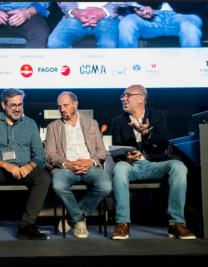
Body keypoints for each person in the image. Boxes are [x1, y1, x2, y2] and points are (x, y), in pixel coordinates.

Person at [111, 84, 195, 240]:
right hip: (132, 166)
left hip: (156, 164)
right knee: (120, 167)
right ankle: (122, 223)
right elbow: (116, 152)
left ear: (141, 98)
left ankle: (176, 223)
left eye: (128, 95)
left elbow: (163, 144)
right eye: (123, 95)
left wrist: (147, 134)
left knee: (178, 166)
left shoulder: (157, 116)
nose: (124, 98)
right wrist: (127, 158)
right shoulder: (118, 121)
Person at [0, 88, 51, 242]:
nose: (17, 109)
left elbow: (40, 154)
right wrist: (6, 165)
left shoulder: (30, 124)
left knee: (44, 177)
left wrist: (29, 167)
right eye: (13, 105)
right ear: (4, 105)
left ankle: (26, 226)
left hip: (24, 169)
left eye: (20, 105)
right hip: (0, 169)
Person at [45, 92, 112, 238]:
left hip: (90, 166)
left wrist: (90, 162)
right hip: (65, 167)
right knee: (58, 186)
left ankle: (72, 216)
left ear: (75, 105)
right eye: (59, 106)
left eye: (65, 105)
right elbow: (49, 154)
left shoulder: (92, 123)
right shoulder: (53, 127)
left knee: (106, 186)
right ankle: (79, 220)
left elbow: (101, 151)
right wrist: (67, 163)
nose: (62, 109)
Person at [118, 2, 205, 48]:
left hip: (185, 14)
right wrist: (141, 8)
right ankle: (129, 69)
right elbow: (135, 4)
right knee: (127, 23)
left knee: (190, 28)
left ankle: (191, 71)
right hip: (153, 15)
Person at [48, 2, 122, 48]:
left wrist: (103, 11)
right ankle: (74, 69)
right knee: (54, 43)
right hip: (76, 14)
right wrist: (75, 11)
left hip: (108, 15)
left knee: (109, 44)